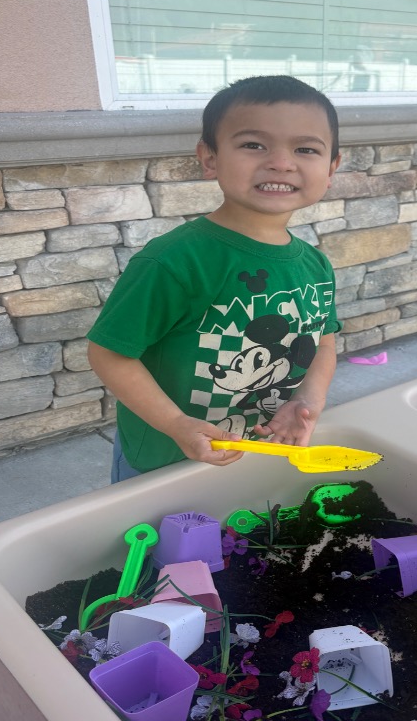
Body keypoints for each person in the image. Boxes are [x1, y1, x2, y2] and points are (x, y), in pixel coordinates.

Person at [87, 75, 343, 482]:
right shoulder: (173, 261)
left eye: (306, 149)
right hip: (164, 461)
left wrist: (308, 399)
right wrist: (176, 423)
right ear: (210, 158)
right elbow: (109, 353)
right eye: (253, 145)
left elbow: (324, 341)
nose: (281, 162)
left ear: (331, 168)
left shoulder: (315, 265)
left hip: (258, 449)